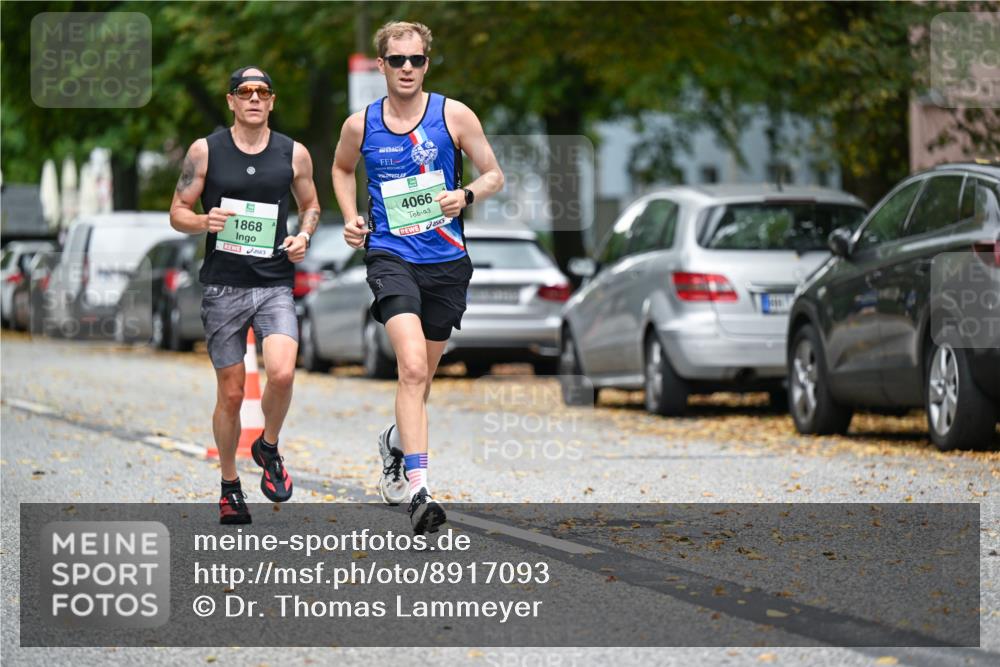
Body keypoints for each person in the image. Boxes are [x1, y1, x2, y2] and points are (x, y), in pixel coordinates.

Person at [332, 22, 504, 534]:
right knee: (409, 369)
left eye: (416, 60)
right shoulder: (361, 125)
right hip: (391, 256)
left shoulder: (453, 115)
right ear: (381, 65)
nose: (407, 68)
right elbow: (341, 169)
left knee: (422, 380)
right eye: (397, 60)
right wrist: (351, 217)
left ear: (427, 63)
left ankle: (394, 443)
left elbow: (494, 174)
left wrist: (465, 196)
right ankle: (420, 491)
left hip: (446, 262)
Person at [170, 66, 320, 524]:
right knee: (233, 394)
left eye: (262, 92)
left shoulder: (293, 153)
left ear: (272, 101)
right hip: (223, 286)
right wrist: (204, 221)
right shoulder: (205, 150)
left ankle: (268, 446)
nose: (254, 98)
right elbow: (178, 211)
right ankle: (230, 486)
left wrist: (304, 236)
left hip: (274, 282)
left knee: (283, 373)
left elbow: (310, 205)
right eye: (245, 91)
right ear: (231, 100)